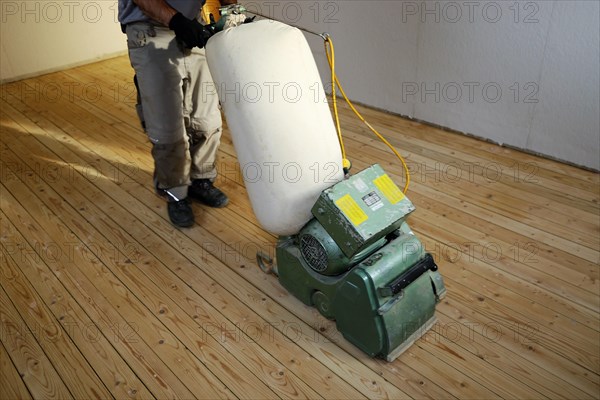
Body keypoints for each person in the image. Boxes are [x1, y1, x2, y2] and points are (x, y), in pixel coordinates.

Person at [118, 0, 236, 228]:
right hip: (151, 28)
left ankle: (200, 179)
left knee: (206, 118)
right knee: (167, 127)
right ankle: (175, 192)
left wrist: (231, 11)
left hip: (193, 24)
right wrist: (176, 20)